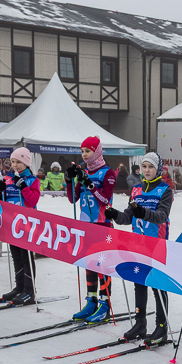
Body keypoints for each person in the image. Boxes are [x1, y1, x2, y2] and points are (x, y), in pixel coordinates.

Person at [106, 152, 173, 346]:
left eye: (151, 167)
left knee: (157, 285)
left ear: (158, 169)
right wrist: (115, 214)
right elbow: (128, 217)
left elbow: (161, 216)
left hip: (156, 244)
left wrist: (143, 212)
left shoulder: (165, 190)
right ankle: (140, 323)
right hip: (137, 244)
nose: (147, 170)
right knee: (139, 282)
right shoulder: (136, 189)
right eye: (144, 167)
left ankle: (161, 326)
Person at [66, 136, 117, 322]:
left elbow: (106, 200)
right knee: (88, 263)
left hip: (102, 225)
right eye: (82, 151)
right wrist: (70, 180)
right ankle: (92, 300)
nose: (84, 154)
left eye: (88, 151)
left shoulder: (108, 173)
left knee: (102, 264)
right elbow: (73, 199)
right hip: (85, 225)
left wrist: (90, 184)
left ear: (96, 151)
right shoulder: (85, 171)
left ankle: (105, 303)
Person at [0, 147, 41, 306]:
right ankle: (19, 287)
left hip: (28, 226)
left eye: (18, 162)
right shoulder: (7, 179)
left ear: (26, 163)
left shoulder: (32, 180)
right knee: (16, 255)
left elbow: (33, 201)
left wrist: (23, 187)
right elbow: (1, 201)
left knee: (26, 257)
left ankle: (29, 291)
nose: (15, 165)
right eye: (13, 162)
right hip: (12, 225)